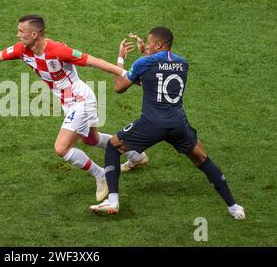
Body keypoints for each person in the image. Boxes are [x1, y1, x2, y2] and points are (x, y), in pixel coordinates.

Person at [0, 14, 147, 202]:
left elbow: (96, 62)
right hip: (69, 102)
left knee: (61, 148)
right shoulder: (22, 50)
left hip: (81, 100)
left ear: (34, 34)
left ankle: (100, 174)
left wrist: (127, 75)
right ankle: (135, 155)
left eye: (21, 32)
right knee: (91, 139)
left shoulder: (58, 50)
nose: (17, 35)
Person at [89, 27, 246, 220]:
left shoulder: (143, 63)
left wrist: (121, 58)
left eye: (148, 43)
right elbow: (158, 75)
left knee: (113, 147)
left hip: (152, 124)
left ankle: (113, 200)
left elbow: (119, 87)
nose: (145, 46)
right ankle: (234, 207)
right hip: (178, 124)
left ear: (159, 45)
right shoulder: (183, 64)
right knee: (202, 159)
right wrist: (146, 54)